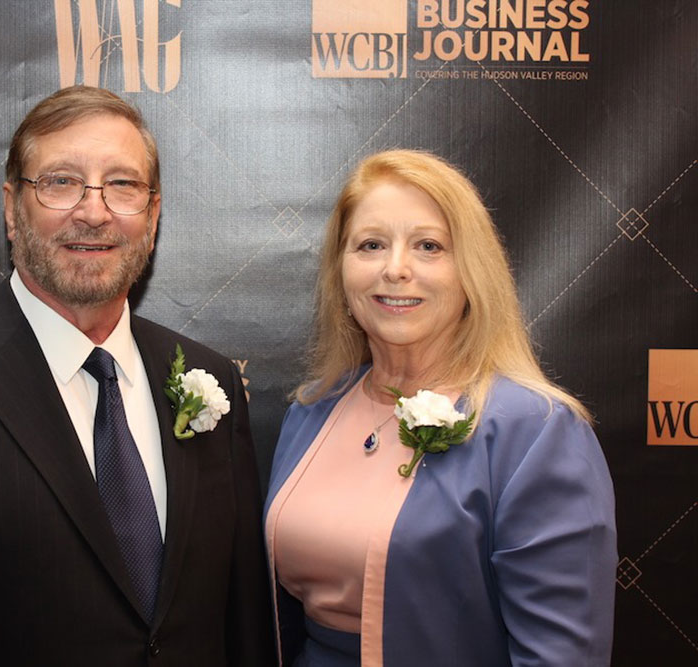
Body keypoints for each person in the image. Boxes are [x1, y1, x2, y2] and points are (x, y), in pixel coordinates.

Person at [0, 86, 273, 666]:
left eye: (123, 184)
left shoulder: (211, 380)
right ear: (11, 210)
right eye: (60, 181)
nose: (93, 210)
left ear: (153, 216)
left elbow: (243, 627)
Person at [264, 150, 617, 666]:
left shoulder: (535, 433)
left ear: (470, 271)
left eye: (428, 246)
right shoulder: (314, 411)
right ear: (341, 270)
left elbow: (561, 656)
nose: (396, 269)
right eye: (371, 245)